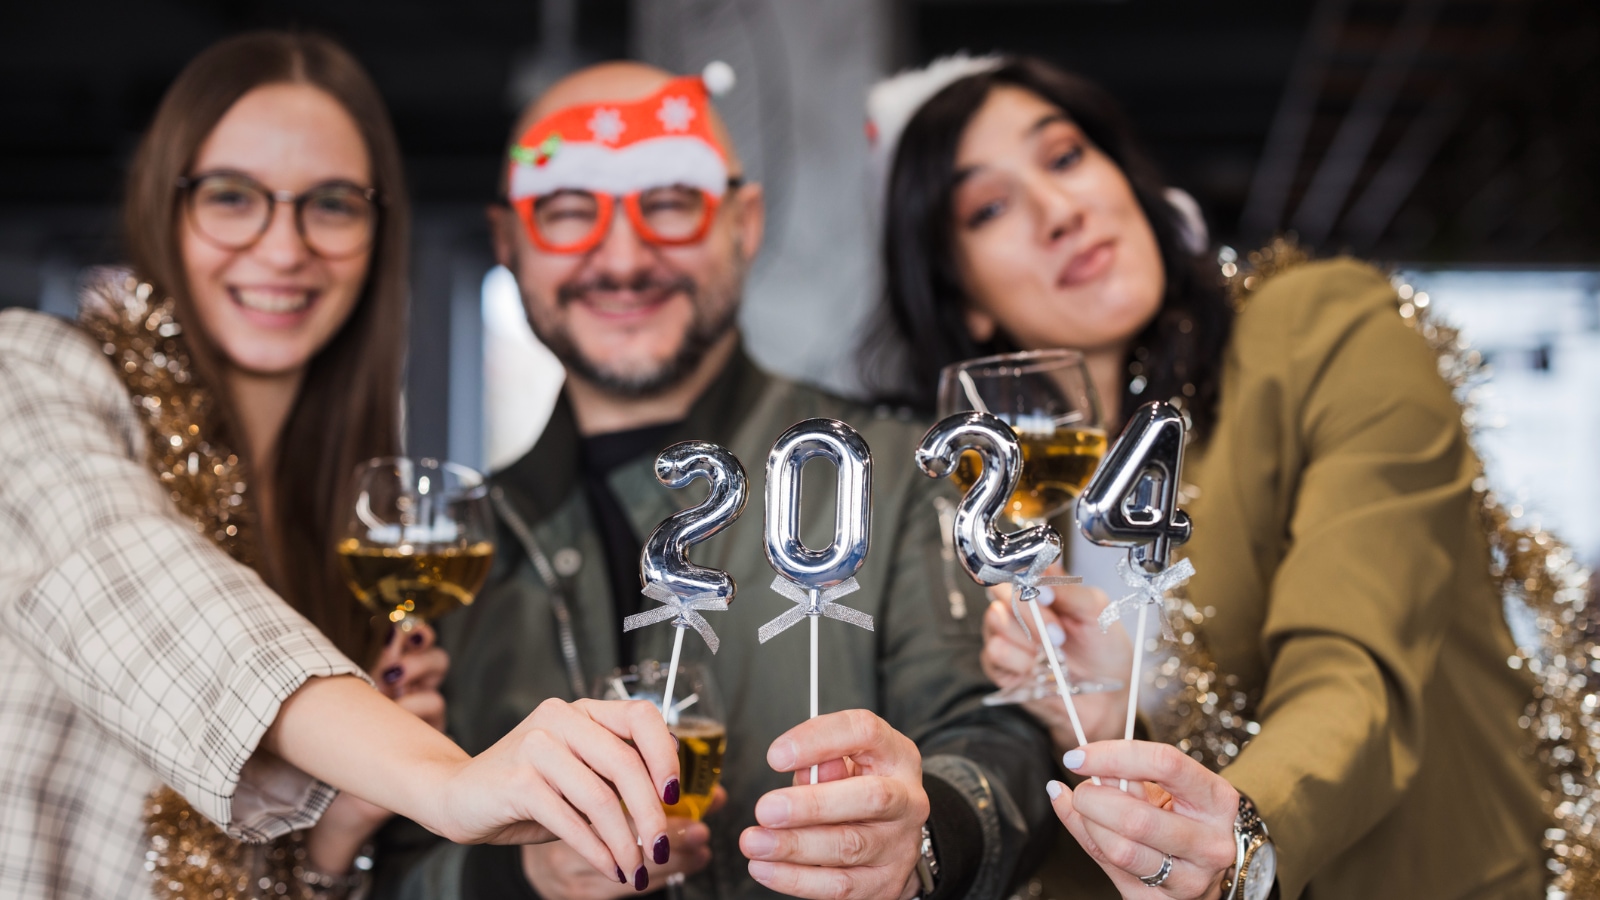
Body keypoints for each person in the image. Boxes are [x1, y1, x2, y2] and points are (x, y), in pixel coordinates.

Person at [0, 31, 680, 900]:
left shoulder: (348, 528)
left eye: (330, 204)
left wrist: (344, 829)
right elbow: (119, 569)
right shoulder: (30, 374)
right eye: (233, 197)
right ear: (165, 208)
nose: (284, 249)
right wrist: (442, 780)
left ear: (377, 231)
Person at [862, 54, 1549, 899]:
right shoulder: (1022, 491)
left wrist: (1246, 833)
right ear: (962, 294)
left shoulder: (1320, 329)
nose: (1057, 212)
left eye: (1066, 156)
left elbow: (1357, 660)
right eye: (991, 207)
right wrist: (1118, 719)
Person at [381, 60, 1055, 900]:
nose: (622, 258)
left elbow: (1006, 739)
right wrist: (517, 874)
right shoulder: (450, 561)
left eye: (668, 203)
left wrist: (922, 835)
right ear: (508, 241)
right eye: (567, 212)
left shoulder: (900, 473)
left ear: (744, 221)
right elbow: (383, 860)